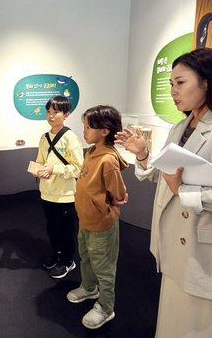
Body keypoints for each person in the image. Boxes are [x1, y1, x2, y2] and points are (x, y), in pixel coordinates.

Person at [115, 48, 212, 338]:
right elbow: (165, 173)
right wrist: (144, 153)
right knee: (174, 323)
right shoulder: (180, 127)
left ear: (207, 82)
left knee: (206, 329)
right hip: (178, 247)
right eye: (171, 84)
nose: (173, 91)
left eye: (180, 82)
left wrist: (186, 191)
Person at [66, 105, 128, 329]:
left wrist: (112, 201)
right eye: (84, 126)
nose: (84, 131)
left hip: (102, 223)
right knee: (86, 256)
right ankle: (89, 288)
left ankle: (106, 307)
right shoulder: (92, 152)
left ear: (104, 131)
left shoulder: (108, 160)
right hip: (85, 219)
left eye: (88, 127)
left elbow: (119, 193)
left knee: (104, 265)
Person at [33, 95, 83, 278]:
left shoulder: (71, 138)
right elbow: (40, 161)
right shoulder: (44, 138)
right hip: (46, 193)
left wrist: (55, 169)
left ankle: (68, 261)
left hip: (65, 194)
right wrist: (37, 170)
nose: (51, 116)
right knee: (51, 227)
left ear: (66, 114)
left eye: (56, 112)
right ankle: (56, 254)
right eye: (48, 112)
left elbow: (79, 168)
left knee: (67, 230)